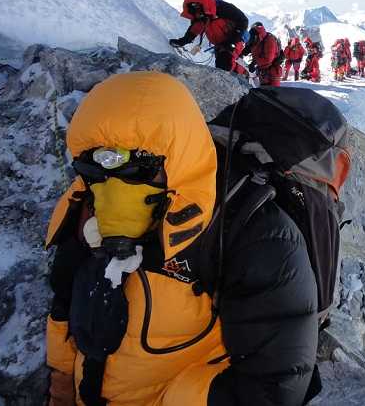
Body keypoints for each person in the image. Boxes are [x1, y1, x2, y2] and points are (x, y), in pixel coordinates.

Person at [45, 71, 318, 406]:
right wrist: (61, 378)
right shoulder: (84, 206)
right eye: (95, 167)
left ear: (177, 157)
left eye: (139, 167)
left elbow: (276, 385)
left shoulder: (258, 235)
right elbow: (63, 299)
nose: (113, 185)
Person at [169, 0, 249, 73]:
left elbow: (243, 21)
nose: (194, 7)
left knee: (225, 64)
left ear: (203, 1)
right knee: (225, 65)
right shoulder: (200, 12)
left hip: (234, 40)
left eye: (196, 4)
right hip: (220, 44)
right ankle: (241, 75)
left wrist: (232, 41)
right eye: (191, 5)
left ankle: (235, 80)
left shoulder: (224, 8)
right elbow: (195, 28)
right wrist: (183, 41)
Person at [245, 22, 282, 87]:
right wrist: (244, 51)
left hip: (273, 72)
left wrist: (254, 63)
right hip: (262, 71)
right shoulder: (256, 39)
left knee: (274, 92)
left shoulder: (270, 40)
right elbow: (253, 47)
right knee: (263, 90)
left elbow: (268, 60)